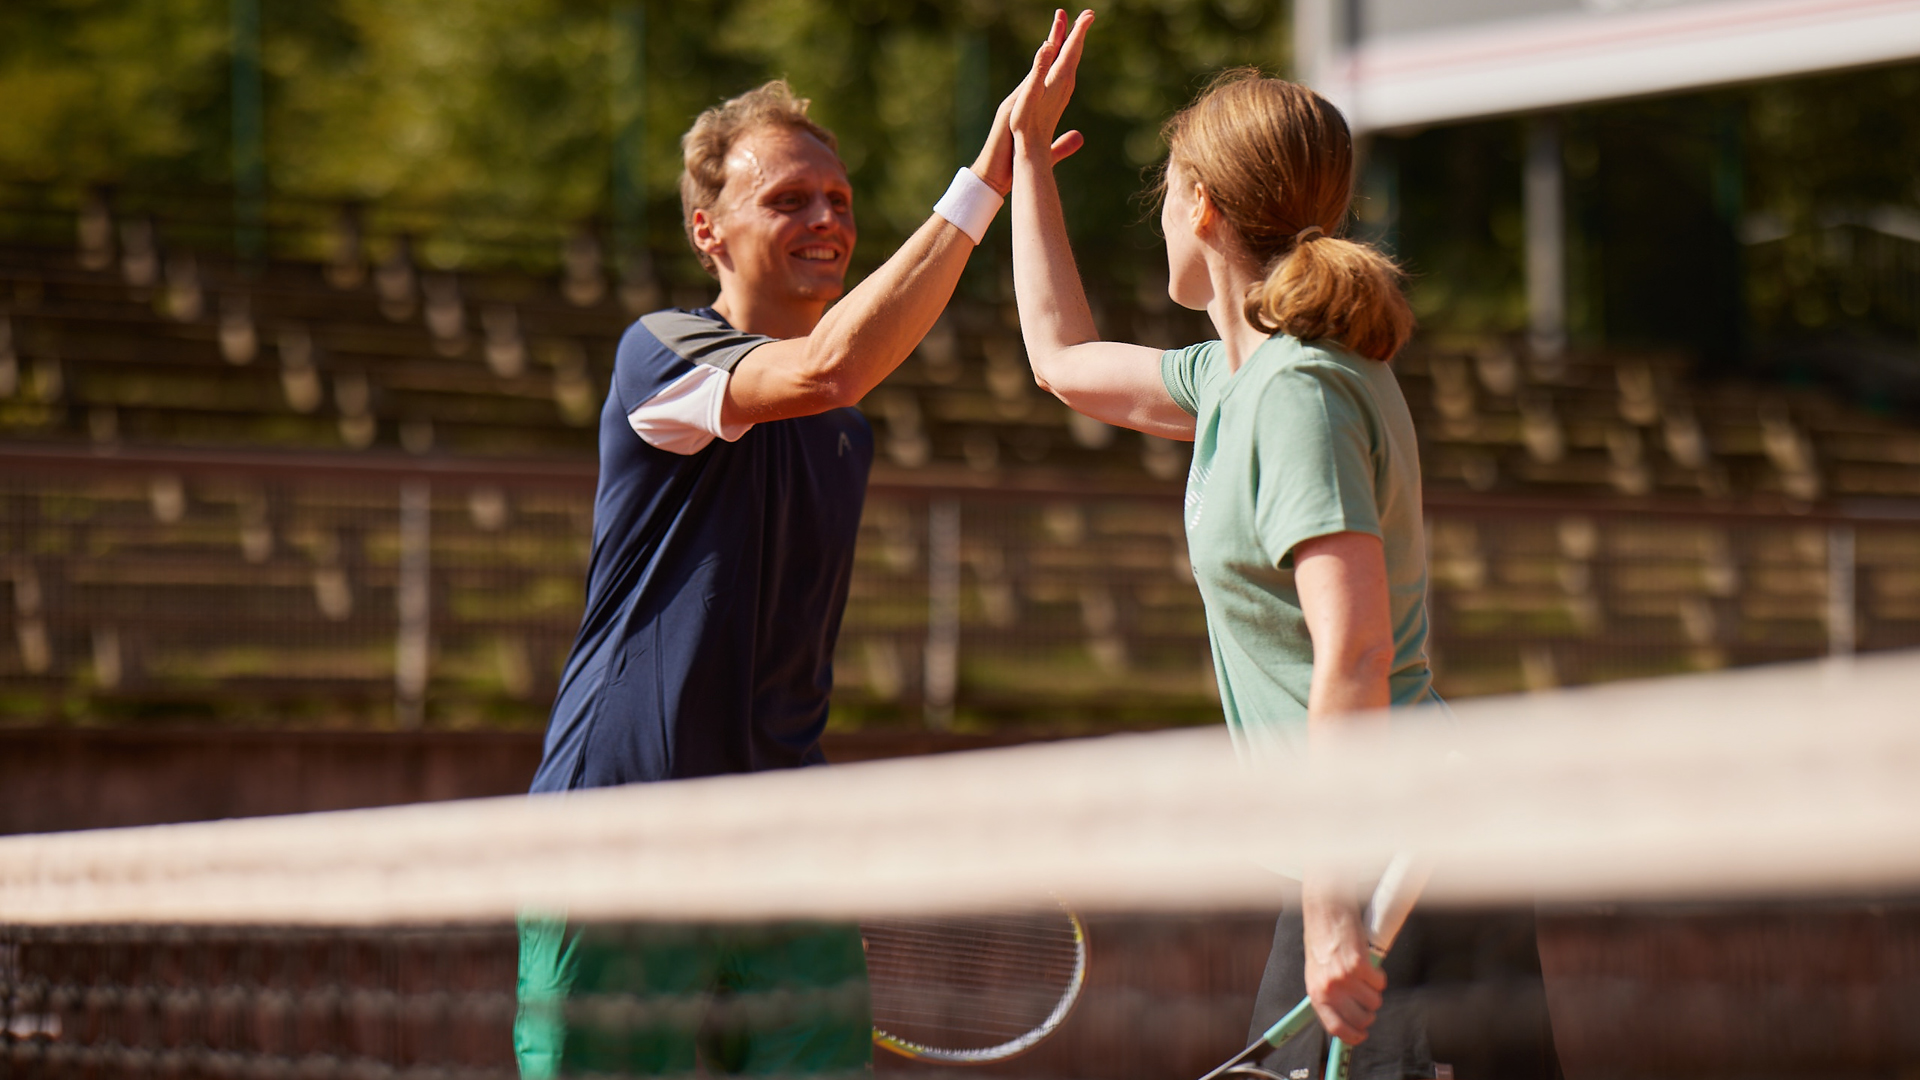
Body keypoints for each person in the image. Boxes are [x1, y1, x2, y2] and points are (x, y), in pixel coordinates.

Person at [1005, 13, 1561, 1078]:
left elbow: (1354, 650)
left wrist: (1331, 910)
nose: (1160, 216)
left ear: (1201, 207)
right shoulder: (1237, 380)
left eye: (1167, 191)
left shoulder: (1298, 390)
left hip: (1393, 856)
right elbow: (1061, 359)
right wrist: (1025, 157)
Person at [516, 71, 1085, 1079]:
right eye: (788, 200)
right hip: (619, 838)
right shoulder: (660, 354)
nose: (826, 219)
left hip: (782, 854)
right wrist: (984, 184)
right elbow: (829, 364)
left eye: (839, 200)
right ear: (708, 230)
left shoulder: (843, 434)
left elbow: (789, 660)